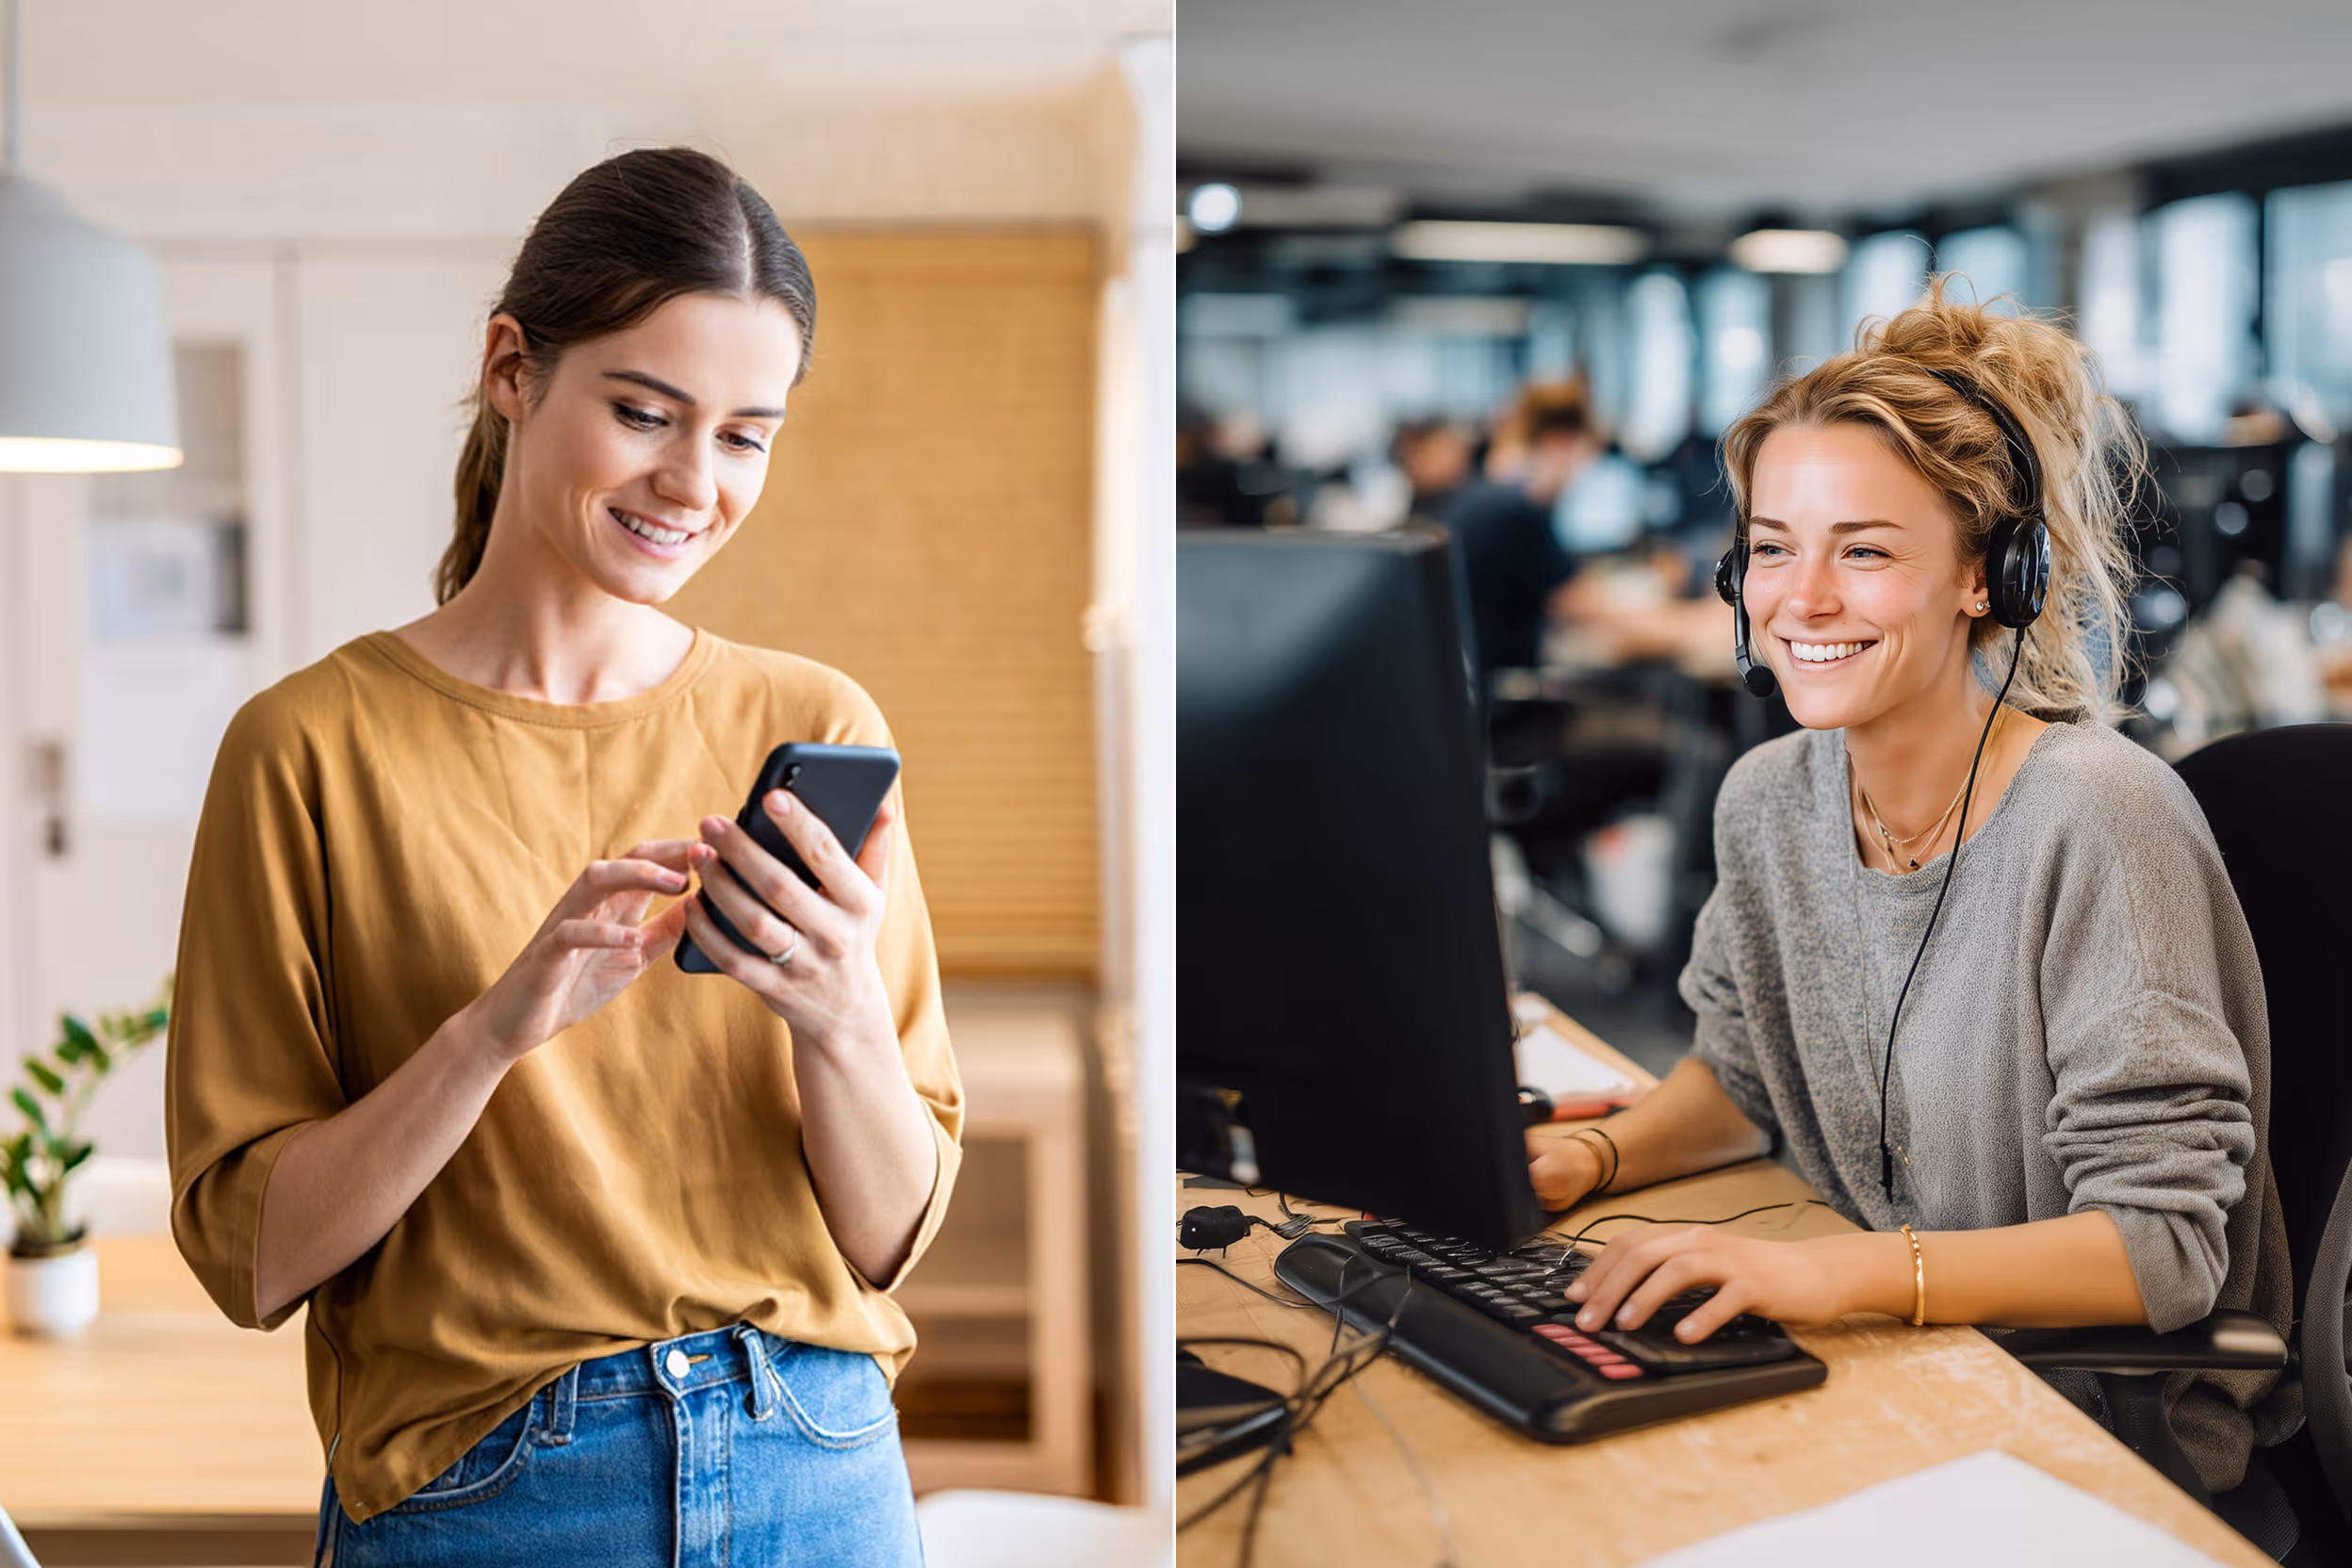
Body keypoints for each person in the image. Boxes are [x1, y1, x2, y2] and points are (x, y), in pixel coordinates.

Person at [164, 148, 957, 1565]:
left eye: (744, 435)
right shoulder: (308, 749)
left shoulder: (813, 722)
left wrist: (840, 1018)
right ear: (513, 369)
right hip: (490, 1491)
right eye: (646, 411)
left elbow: (892, 1236)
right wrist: (493, 1030)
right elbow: (254, 1256)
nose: (692, 482)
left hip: (816, 1467)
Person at [1526, 281, 2298, 1497]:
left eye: (1866, 551)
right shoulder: (1769, 796)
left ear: (1988, 577)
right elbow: (1742, 1080)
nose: (1804, 600)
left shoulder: (2098, 817)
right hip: (1874, 1352)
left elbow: (2165, 1248)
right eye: (1773, 548)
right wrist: (1593, 1164)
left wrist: (1829, 1278)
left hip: (2084, 1425)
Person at [1442, 379, 1604, 688]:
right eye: (1586, 455)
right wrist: (1689, 627)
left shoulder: (1482, 492)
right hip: (1507, 712)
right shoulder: (1515, 509)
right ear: (1561, 442)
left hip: (1479, 698)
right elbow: (1587, 609)